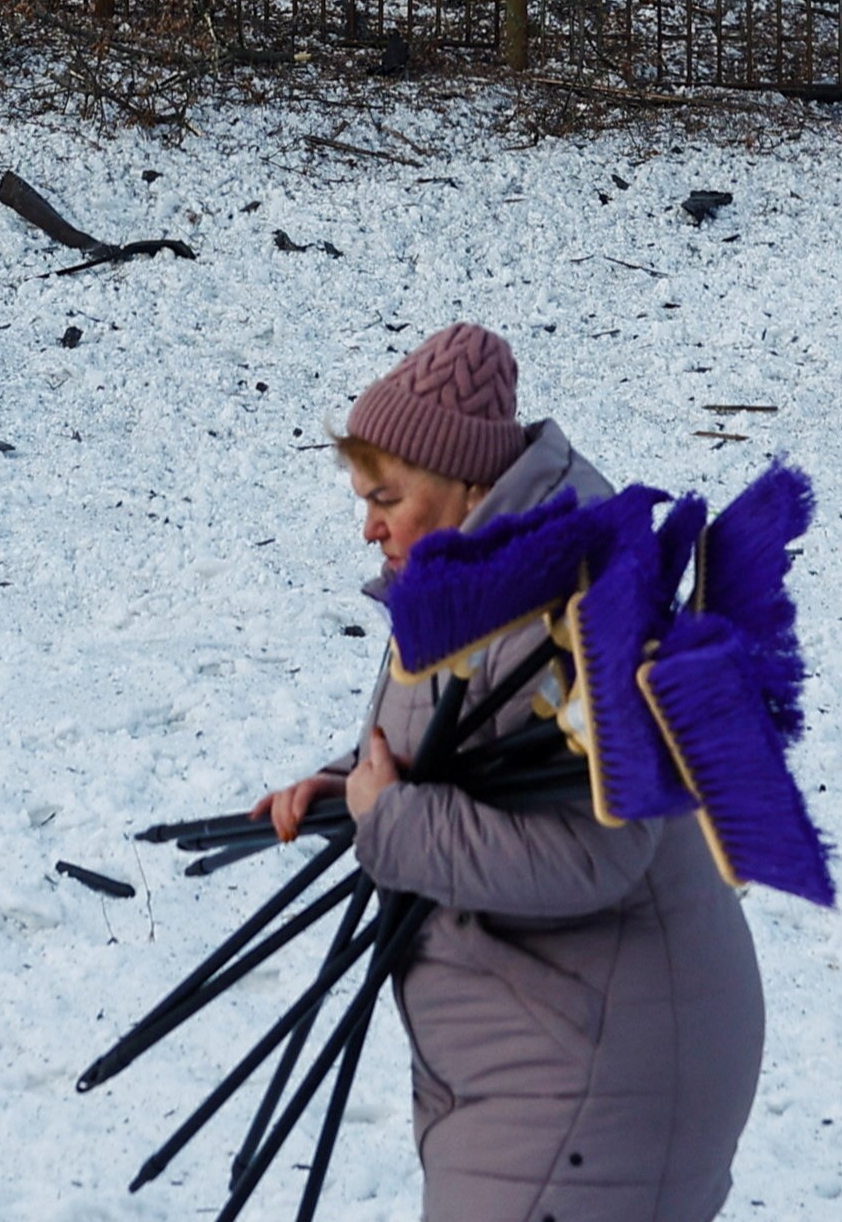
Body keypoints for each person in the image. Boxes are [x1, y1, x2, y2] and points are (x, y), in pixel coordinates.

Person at [251, 321, 766, 1222]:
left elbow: (599, 852)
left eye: (387, 495)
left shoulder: (557, 608)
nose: (368, 524)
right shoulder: (481, 586)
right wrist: (351, 788)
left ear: (466, 483)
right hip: (545, 1046)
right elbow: (466, 753)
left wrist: (395, 823)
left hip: (598, 1070)